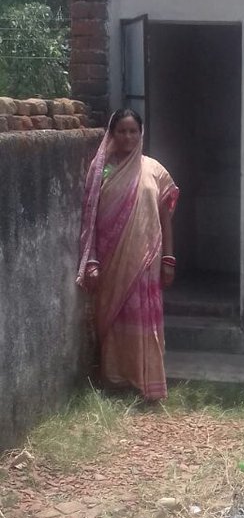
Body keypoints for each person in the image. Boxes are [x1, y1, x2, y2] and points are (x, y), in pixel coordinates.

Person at [77, 108, 179, 402]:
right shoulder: (101, 170)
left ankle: (145, 380)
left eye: (133, 131)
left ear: (141, 133)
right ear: (112, 134)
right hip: (110, 262)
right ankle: (115, 379)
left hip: (146, 261)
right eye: (121, 131)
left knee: (143, 320)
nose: (127, 136)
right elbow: (91, 217)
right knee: (115, 318)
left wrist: (169, 259)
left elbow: (164, 219)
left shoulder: (154, 170)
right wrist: (92, 258)